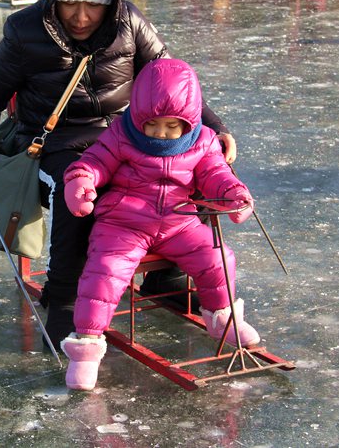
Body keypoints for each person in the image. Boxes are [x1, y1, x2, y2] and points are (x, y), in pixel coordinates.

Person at [0, 0, 237, 349]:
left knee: (180, 173)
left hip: (125, 137)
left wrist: (214, 129)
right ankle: (64, 296)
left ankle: (168, 276)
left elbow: (172, 80)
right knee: (78, 198)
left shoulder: (129, 23)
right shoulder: (24, 30)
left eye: (94, 4)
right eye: (70, 3)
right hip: (55, 144)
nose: (81, 16)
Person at [59, 59, 258, 391]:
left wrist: (233, 194)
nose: (161, 133)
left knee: (217, 257)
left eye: (171, 126)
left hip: (178, 221)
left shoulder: (204, 141)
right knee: (105, 271)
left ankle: (222, 317)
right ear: (139, 116)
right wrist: (81, 180)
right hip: (125, 221)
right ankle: (86, 347)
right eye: (152, 124)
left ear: (189, 121)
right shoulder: (122, 133)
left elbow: (215, 174)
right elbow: (95, 161)